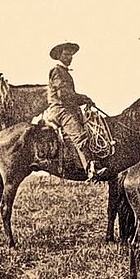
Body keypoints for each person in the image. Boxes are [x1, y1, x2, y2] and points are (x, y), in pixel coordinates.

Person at [42, 42, 106, 181]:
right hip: (60, 109)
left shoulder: (64, 72)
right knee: (80, 135)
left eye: (71, 54)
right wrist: (83, 98)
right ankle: (91, 168)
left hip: (67, 108)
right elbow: (63, 95)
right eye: (66, 54)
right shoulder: (57, 71)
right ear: (59, 56)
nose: (69, 57)